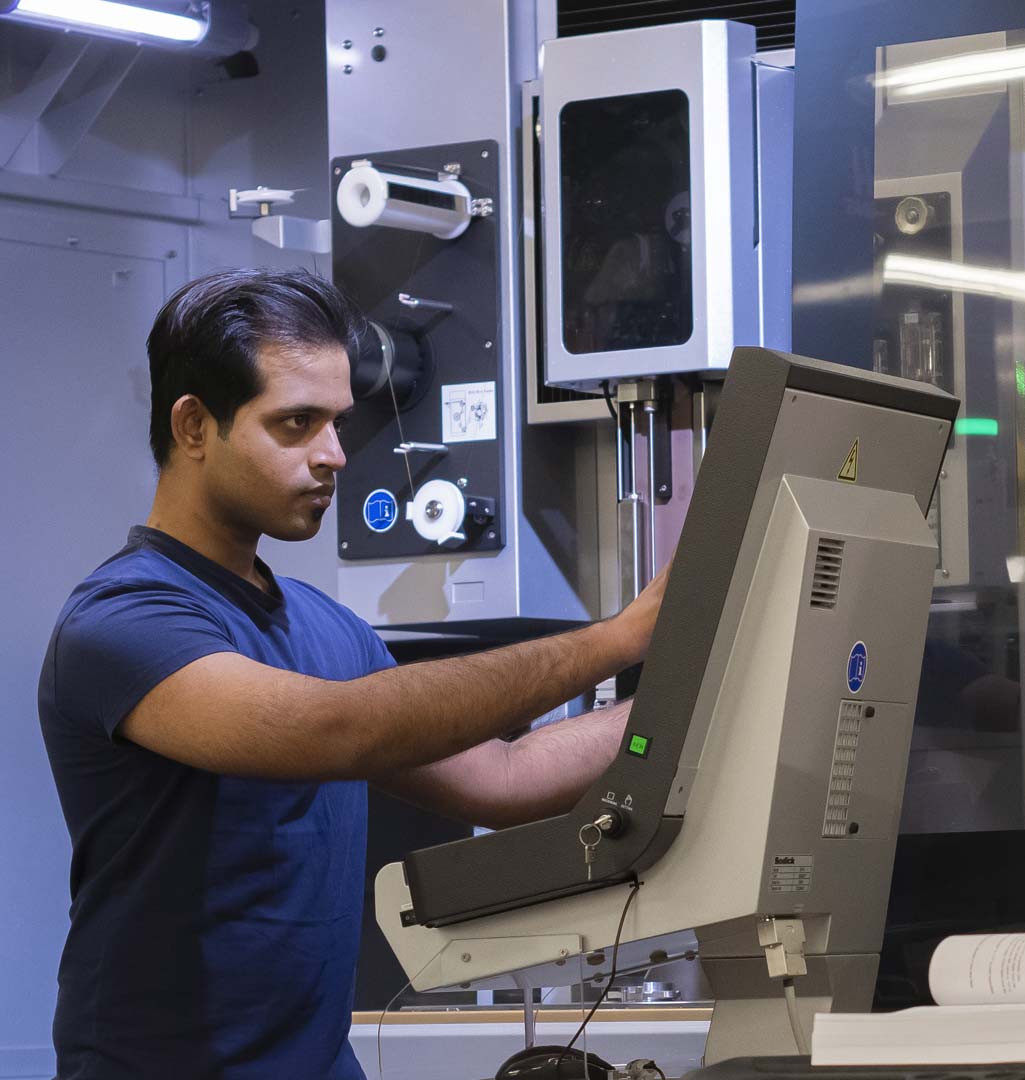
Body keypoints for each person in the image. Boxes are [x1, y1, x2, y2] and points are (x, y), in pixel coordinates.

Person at [37, 268, 664, 1078]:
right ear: (194, 426)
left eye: (337, 422)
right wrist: (615, 641)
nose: (334, 454)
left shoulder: (327, 629)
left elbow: (506, 775)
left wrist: (703, 697)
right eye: (296, 424)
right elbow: (338, 729)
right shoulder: (124, 622)